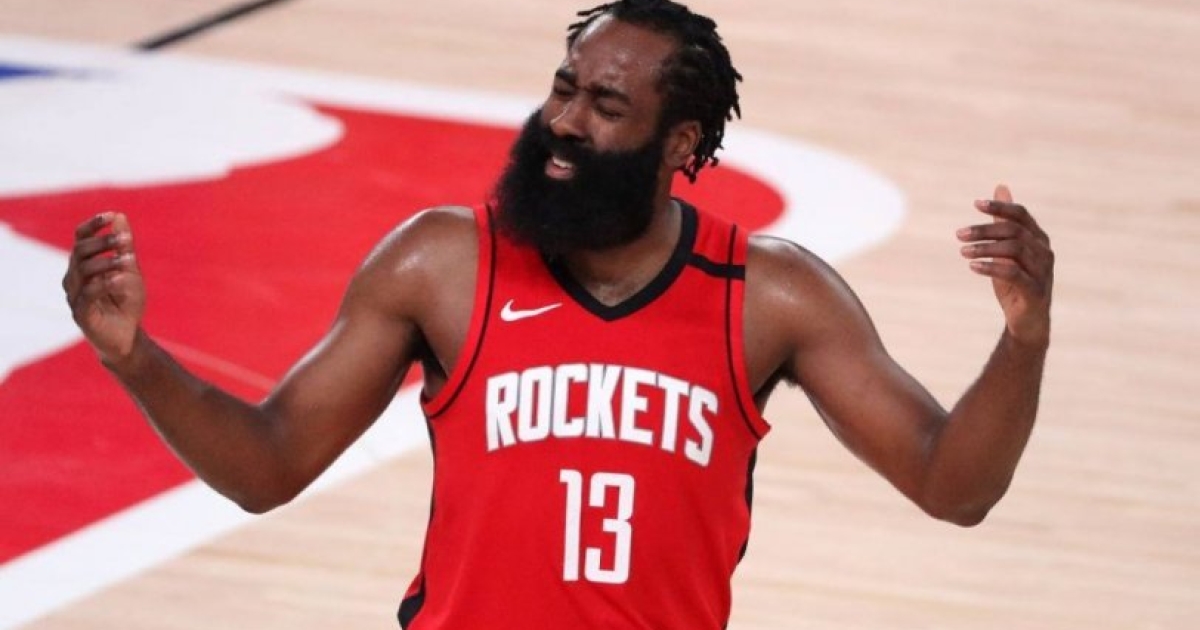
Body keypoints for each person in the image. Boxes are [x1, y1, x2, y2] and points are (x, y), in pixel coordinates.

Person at [62, 0, 1054, 628]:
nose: (565, 123)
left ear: (681, 143)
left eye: (607, 108)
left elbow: (953, 486)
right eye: (564, 88)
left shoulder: (769, 294)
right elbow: (267, 467)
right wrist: (134, 357)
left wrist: (1023, 339)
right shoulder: (444, 263)